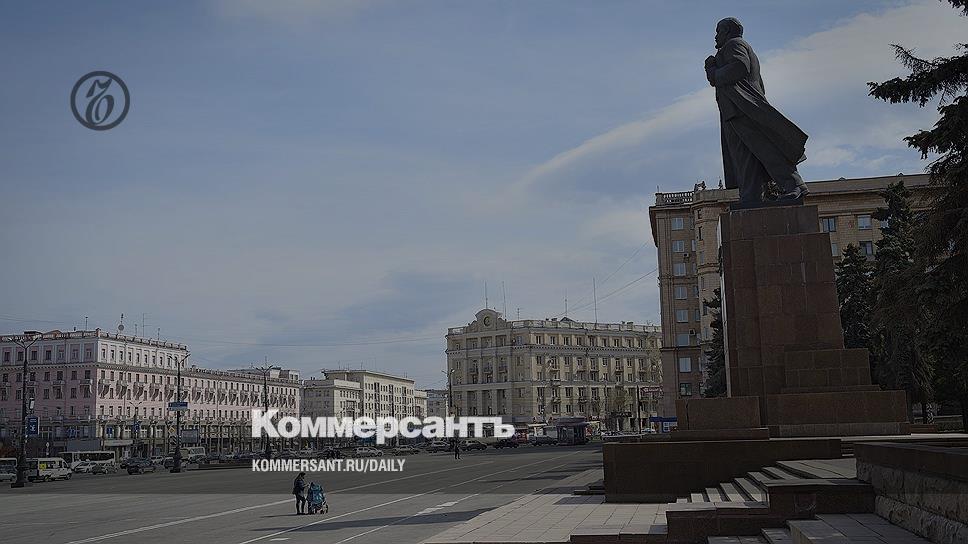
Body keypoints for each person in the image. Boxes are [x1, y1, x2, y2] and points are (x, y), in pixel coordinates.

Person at [704, 17, 809, 205]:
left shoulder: (735, 44)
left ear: (727, 32)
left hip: (744, 108)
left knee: (765, 149)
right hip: (735, 110)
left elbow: (739, 67)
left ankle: (794, 185)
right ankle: (750, 196)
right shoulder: (734, 47)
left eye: (718, 31)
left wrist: (713, 72)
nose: (715, 36)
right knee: (745, 156)